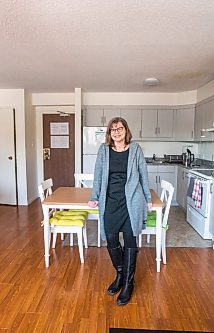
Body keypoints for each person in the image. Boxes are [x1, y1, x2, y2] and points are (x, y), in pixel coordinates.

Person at [88, 117, 152, 306]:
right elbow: (98, 175)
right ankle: (121, 274)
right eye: (113, 129)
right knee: (111, 238)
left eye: (120, 128)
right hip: (110, 201)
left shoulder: (135, 150)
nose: (116, 132)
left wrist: (148, 198)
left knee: (130, 240)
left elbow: (143, 175)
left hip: (131, 201)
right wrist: (94, 196)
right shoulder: (103, 151)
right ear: (109, 133)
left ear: (126, 130)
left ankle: (128, 284)